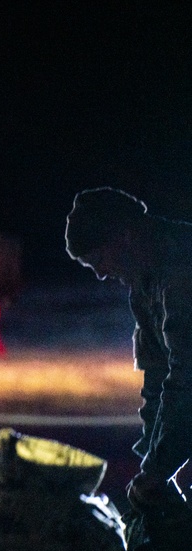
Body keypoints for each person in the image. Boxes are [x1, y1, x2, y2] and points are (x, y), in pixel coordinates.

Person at [65, 187, 192, 509]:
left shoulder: (181, 271)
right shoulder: (145, 285)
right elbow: (157, 378)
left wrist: (158, 469)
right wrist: (152, 463)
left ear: (126, 236)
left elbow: (186, 379)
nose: (101, 273)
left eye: (98, 259)